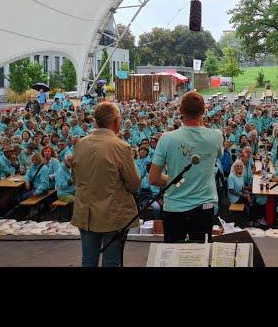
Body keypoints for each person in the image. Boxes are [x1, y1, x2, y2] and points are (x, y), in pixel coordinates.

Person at [71, 101, 141, 267]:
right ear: (116, 121)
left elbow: (75, 178)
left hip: (85, 212)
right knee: (111, 261)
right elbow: (134, 184)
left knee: (88, 260)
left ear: (96, 121)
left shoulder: (81, 144)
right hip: (112, 214)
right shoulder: (121, 147)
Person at [149, 91, 223, 243]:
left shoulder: (167, 139)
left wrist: (177, 181)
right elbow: (218, 155)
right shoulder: (216, 136)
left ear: (180, 110)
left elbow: (154, 178)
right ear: (204, 111)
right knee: (200, 256)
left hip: (174, 207)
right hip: (205, 207)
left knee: (173, 256)